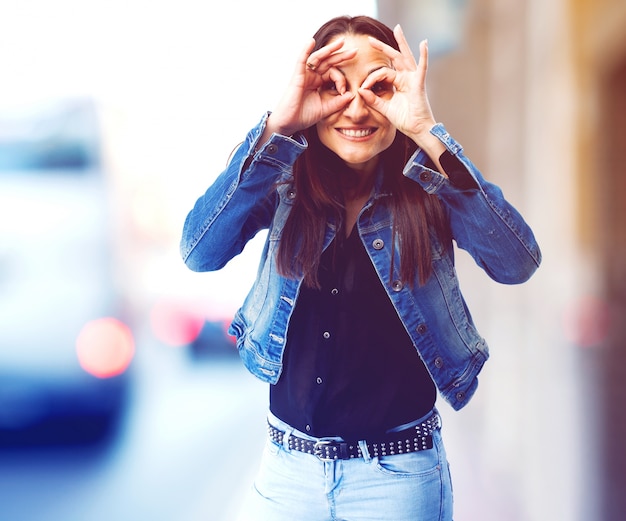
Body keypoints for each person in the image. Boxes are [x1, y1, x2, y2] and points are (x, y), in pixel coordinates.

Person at [180, 15, 541, 521]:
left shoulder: (428, 188)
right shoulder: (284, 181)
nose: (355, 106)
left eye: (378, 86)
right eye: (334, 86)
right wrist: (276, 127)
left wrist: (424, 129)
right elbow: (200, 251)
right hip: (287, 475)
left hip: (396, 479)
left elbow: (516, 261)